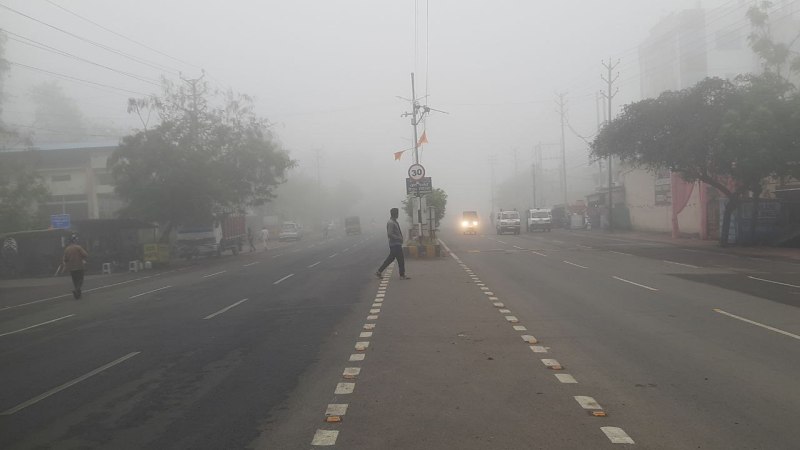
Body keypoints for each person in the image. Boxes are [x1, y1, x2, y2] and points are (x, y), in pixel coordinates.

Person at [376, 207, 410, 280]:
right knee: (400, 259)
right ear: (395, 214)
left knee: (390, 259)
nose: (398, 215)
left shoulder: (394, 222)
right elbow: (390, 234)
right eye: (397, 213)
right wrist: (399, 238)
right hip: (395, 244)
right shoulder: (391, 223)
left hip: (396, 244)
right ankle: (402, 275)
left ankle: (379, 271)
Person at [62, 234, 88, 299]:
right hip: (79, 266)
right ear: (74, 241)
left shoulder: (67, 249)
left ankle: (78, 294)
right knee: (80, 280)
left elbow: (65, 259)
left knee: (75, 280)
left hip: (71, 268)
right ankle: (77, 290)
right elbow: (85, 254)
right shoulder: (78, 247)